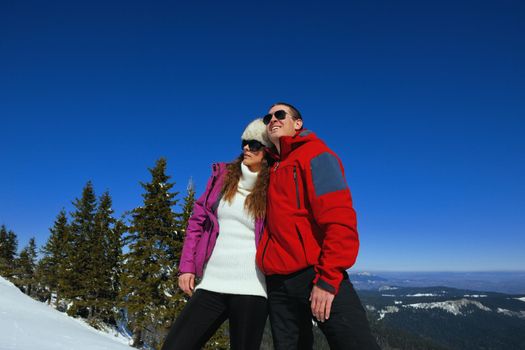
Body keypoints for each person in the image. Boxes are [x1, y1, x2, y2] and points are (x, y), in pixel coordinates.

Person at [256, 102, 380, 350]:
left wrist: (327, 278)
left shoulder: (316, 155)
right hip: (278, 283)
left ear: (298, 123)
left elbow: (339, 217)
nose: (272, 120)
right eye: (267, 117)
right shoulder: (269, 168)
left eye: (280, 115)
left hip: (315, 272)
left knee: (355, 343)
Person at [161, 119, 271, 350]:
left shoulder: (275, 185)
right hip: (212, 283)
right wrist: (187, 266)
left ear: (268, 150)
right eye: (244, 143)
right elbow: (197, 222)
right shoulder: (222, 177)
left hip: (253, 288)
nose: (247, 148)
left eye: (255, 144)